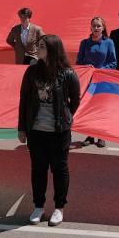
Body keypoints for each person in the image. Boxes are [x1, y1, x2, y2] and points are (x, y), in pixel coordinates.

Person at [18, 34, 80, 227]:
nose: (38, 49)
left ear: (52, 49)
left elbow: (75, 101)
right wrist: (22, 128)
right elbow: (24, 101)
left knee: (59, 169)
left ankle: (59, 208)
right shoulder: (32, 71)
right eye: (38, 45)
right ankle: (38, 206)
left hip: (59, 131)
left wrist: (65, 117)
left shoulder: (67, 74)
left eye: (42, 46)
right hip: (36, 130)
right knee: (38, 169)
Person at [76, 17, 116, 148]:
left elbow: (113, 62)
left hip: (103, 80)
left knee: (101, 108)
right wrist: (87, 68)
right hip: (88, 79)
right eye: (94, 26)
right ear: (91, 27)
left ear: (103, 28)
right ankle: (89, 135)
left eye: (99, 26)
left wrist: (100, 70)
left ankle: (101, 136)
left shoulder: (109, 42)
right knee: (88, 108)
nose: (96, 28)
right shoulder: (84, 43)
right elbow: (79, 61)